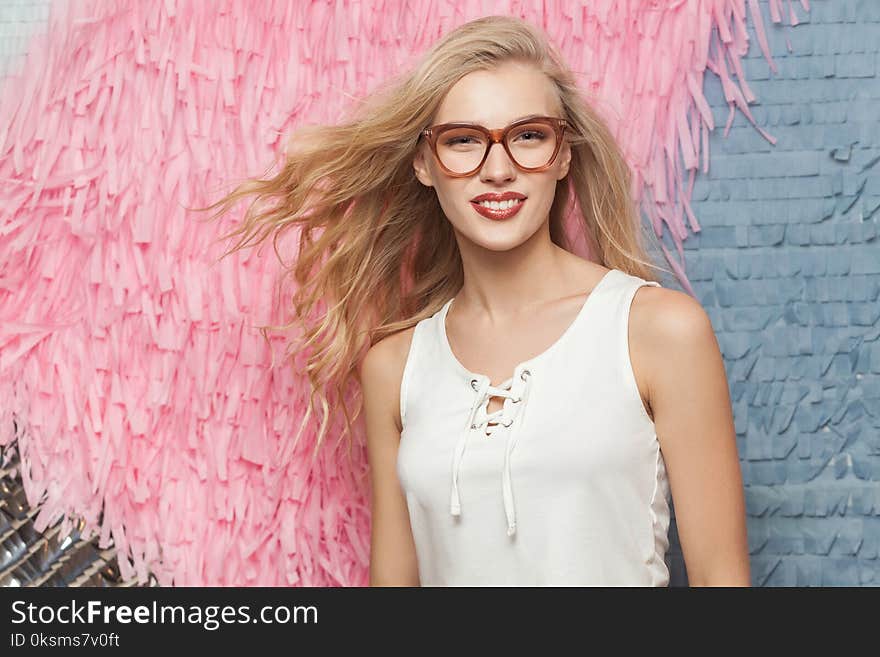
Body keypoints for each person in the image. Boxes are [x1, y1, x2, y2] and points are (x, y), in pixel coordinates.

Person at [203, 16, 750, 587]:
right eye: (462, 140)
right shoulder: (395, 367)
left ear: (563, 155)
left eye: (529, 136)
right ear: (424, 163)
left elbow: (722, 581)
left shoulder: (658, 331)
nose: (497, 169)